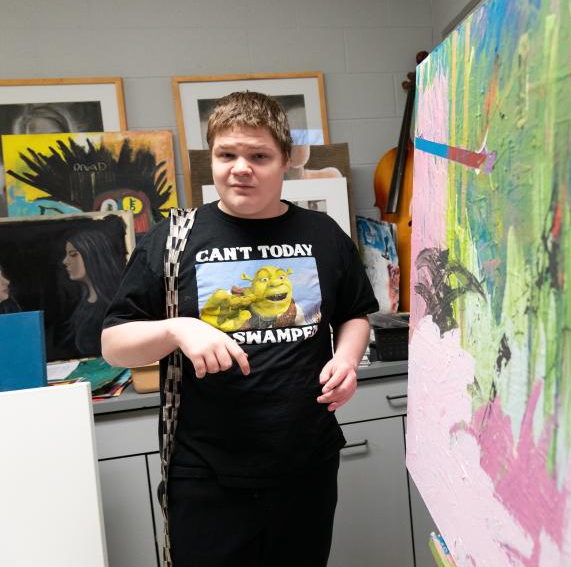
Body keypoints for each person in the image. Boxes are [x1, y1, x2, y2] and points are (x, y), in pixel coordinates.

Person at [101, 91, 378, 567]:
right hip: (205, 473)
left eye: (259, 155)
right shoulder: (172, 240)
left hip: (305, 465)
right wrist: (177, 330)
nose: (240, 167)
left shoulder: (323, 234)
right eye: (226, 154)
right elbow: (113, 345)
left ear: (285, 161)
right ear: (213, 158)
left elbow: (355, 313)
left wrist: (347, 359)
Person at [62, 229, 124, 356]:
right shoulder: (84, 303)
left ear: (93, 256)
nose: (65, 261)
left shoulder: (113, 308)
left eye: (73, 254)